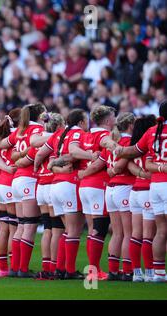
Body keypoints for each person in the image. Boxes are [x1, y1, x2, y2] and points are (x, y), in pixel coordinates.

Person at [114, 100, 167, 283]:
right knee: (149, 235)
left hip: (145, 189)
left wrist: (117, 150)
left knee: (152, 233)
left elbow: (129, 155)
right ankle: (152, 272)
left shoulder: (150, 135)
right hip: (149, 188)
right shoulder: (153, 134)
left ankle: (146, 272)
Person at [0, 103, 46, 278]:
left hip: (17, 180)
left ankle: (16, 267)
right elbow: (35, 151)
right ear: (40, 115)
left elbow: (4, 147)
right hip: (28, 178)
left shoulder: (20, 129)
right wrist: (24, 160)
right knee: (29, 225)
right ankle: (22, 269)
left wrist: (17, 159)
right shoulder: (38, 129)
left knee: (20, 225)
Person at [19, 112, 66, 279]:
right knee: (58, 229)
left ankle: (46, 266)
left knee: (47, 229)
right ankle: (55, 267)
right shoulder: (60, 138)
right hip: (53, 183)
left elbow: (28, 157)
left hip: (41, 186)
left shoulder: (39, 141)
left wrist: (36, 168)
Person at [47, 109, 92, 279]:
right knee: (74, 230)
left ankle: (60, 269)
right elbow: (73, 152)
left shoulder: (60, 134)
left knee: (67, 230)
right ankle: (70, 271)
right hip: (69, 184)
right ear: (80, 122)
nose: (87, 124)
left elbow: (50, 160)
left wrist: (55, 166)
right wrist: (91, 155)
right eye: (86, 121)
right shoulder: (77, 133)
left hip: (56, 184)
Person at [77, 105, 118, 280]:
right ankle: (94, 271)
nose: (115, 120)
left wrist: (83, 174)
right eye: (113, 117)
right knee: (99, 229)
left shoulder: (86, 134)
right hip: (97, 184)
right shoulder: (103, 135)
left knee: (93, 229)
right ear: (108, 120)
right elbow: (101, 160)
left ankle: (94, 270)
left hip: (84, 186)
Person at [102, 113, 136, 281]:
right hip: (124, 187)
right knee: (128, 232)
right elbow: (121, 164)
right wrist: (115, 170)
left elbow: (110, 167)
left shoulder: (114, 142)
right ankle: (127, 270)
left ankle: (113, 270)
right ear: (130, 125)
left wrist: (113, 171)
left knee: (117, 233)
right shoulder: (128, 142)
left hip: (111, 188)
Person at [126, 115, 157, 282]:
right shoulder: (151, 145)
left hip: (135, 191)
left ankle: (137, 273)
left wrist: (138, 172)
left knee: (135, 234)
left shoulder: (134, 146)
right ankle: (151, 272)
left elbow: (128, 162)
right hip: (147, 191)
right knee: (148, 236)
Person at [0, 108, 20, 277]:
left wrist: (4, 168)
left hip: (0, 183)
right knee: (14, 227)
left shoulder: (0, 135)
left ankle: (3, 268)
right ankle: (14, 267)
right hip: (11, 184)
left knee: (3, 228)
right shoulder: (17, 136)